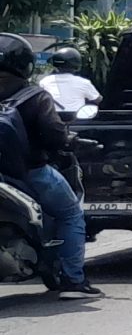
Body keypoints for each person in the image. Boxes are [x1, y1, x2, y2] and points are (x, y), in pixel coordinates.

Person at [0, 33, 97, 298]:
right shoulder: (33, 95)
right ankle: (73, 281)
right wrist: (71, 140)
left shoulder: (43, 85)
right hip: (29, 172)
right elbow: (54, 135)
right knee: (71, 214)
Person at [40, 47, 101, 119]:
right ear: (76, 65)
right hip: (77, 122)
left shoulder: (44, 81)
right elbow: (98, 99)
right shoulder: (83, 82)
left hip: (52, 121)